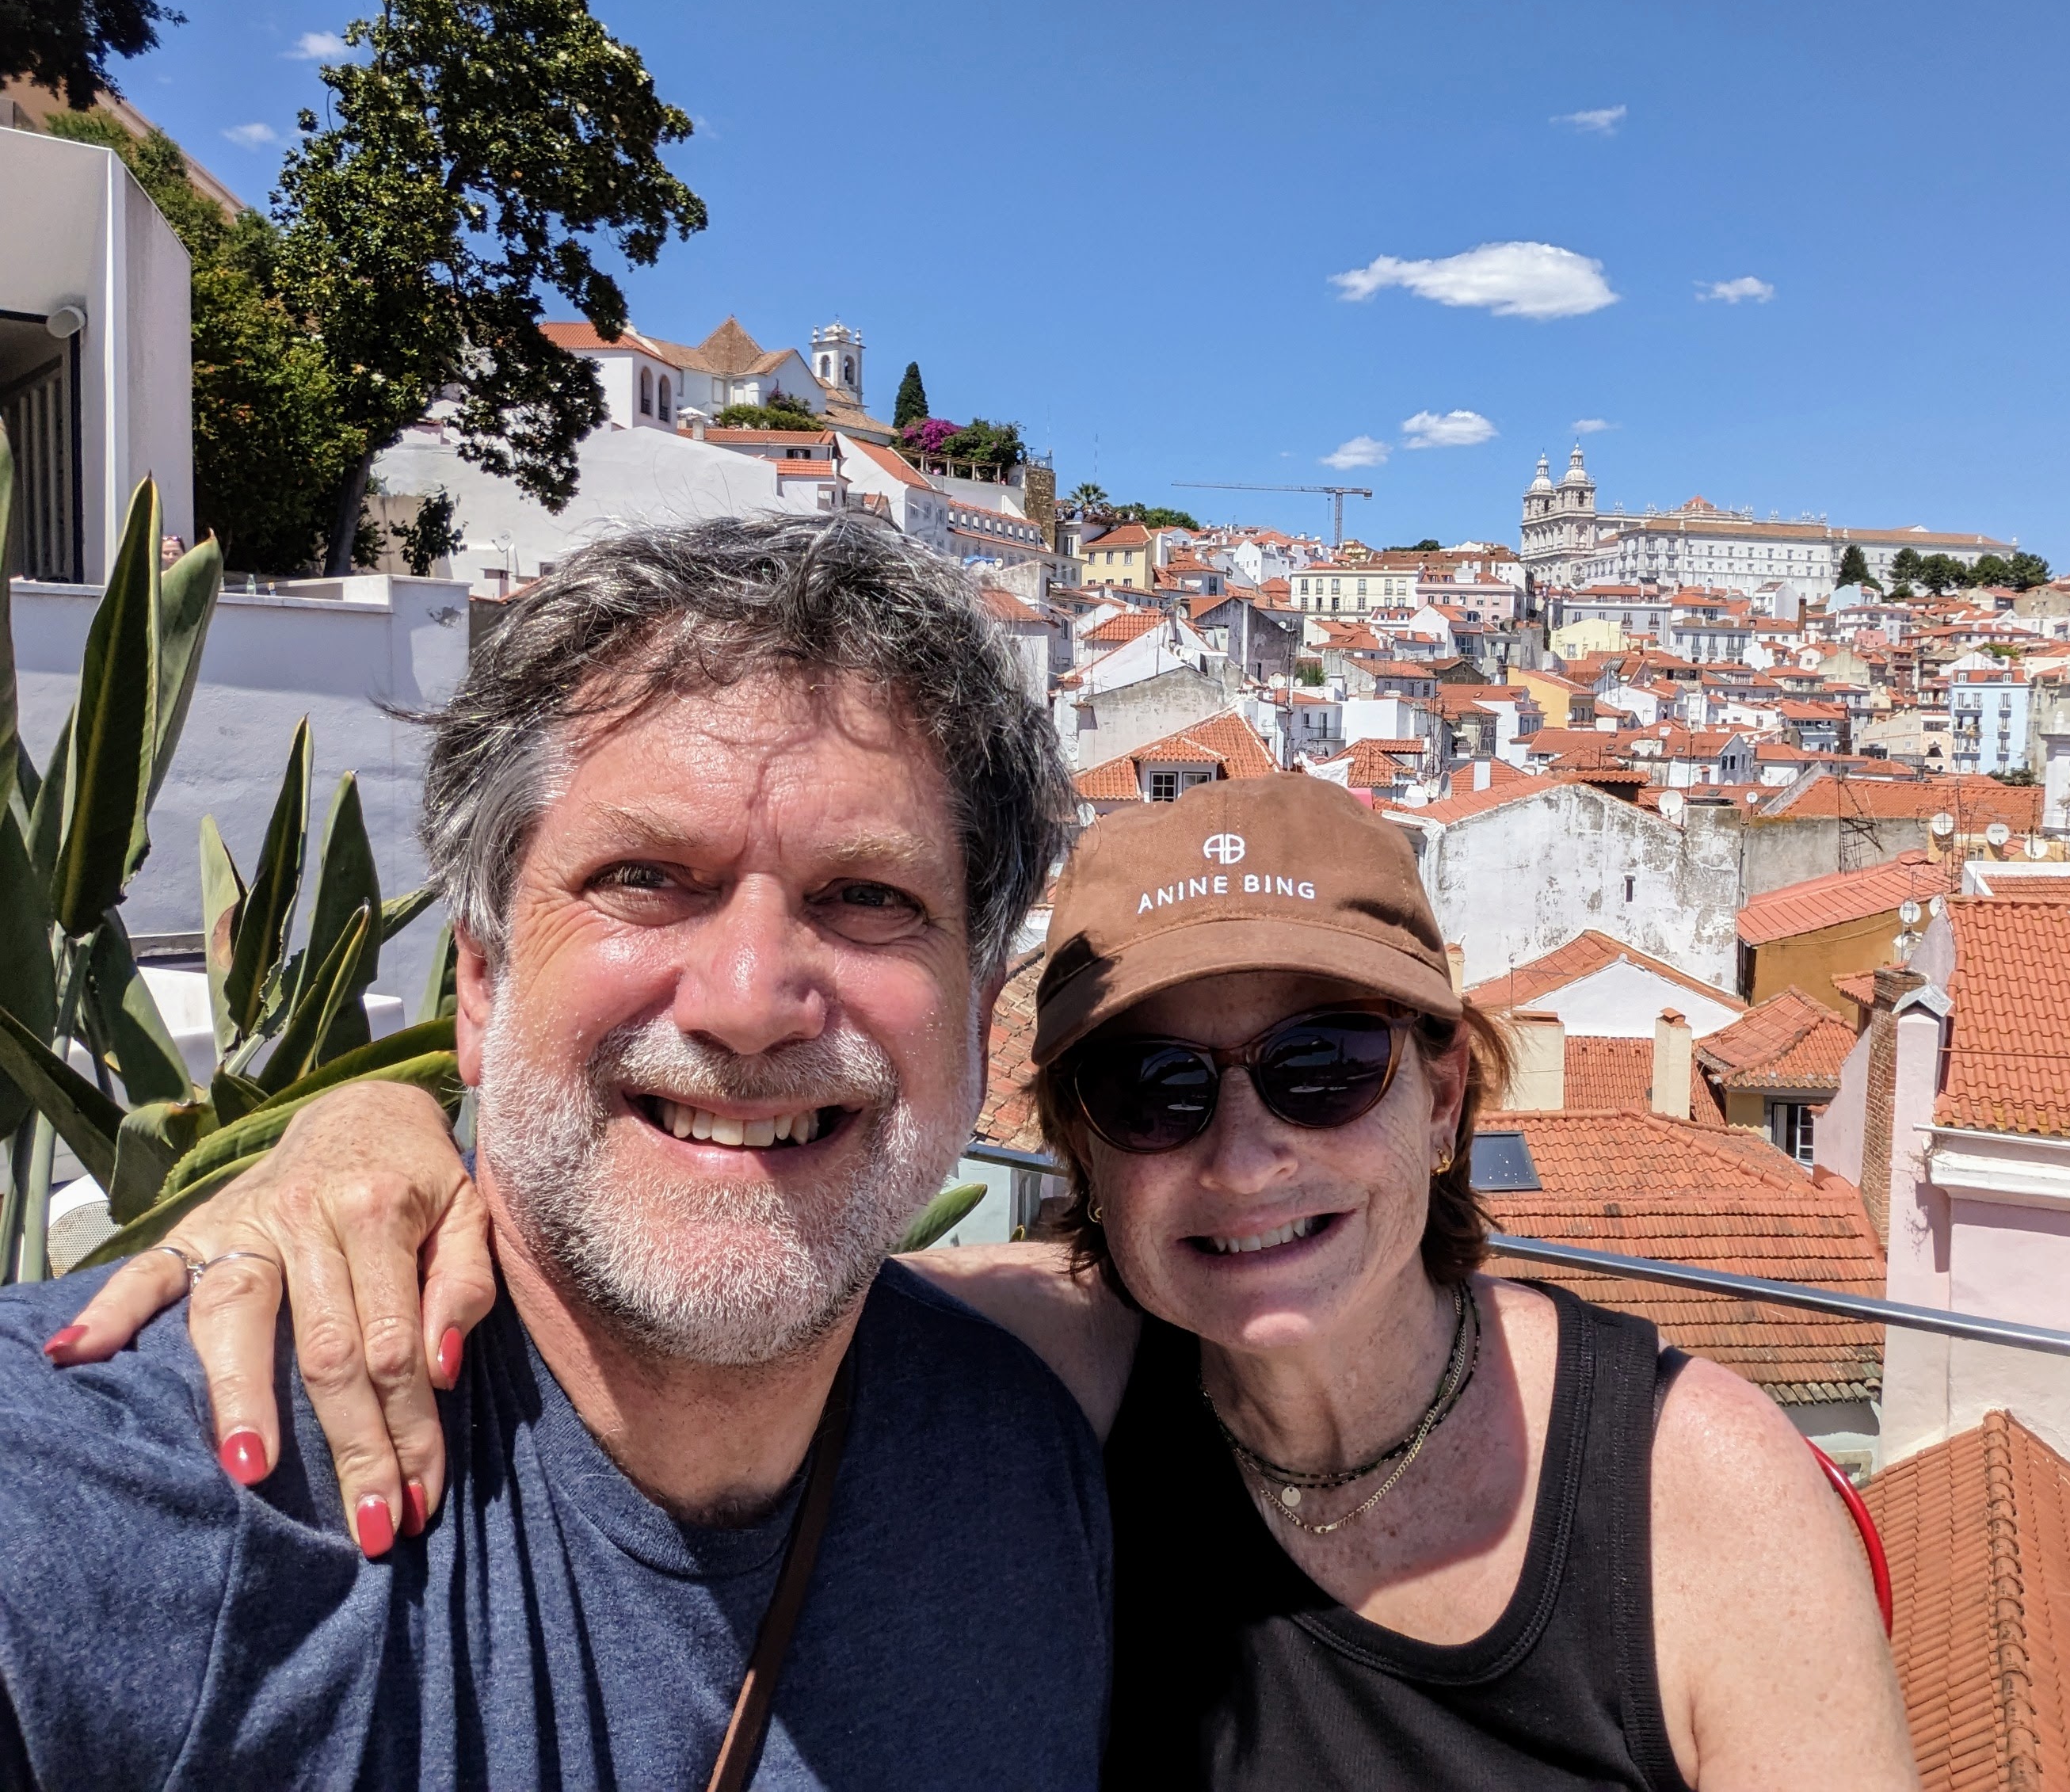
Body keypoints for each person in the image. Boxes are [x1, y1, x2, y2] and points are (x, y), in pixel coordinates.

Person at [71, 773, 1919, 1788]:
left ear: (1443, 1095)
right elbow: (692, 1250)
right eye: (1157, 1088)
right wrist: (372, 1145)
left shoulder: (1694, 1491)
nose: (1247, 1153)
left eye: (1323, 1068)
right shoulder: (1056, 1365)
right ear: (1081, 1153)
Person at [4, 514, 1111, 1788]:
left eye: (867, 896)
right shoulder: (121, 1498)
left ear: (978, 1023)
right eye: (647, 876)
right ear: (481, 984)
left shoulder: (1026, 1473)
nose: (749, 998)